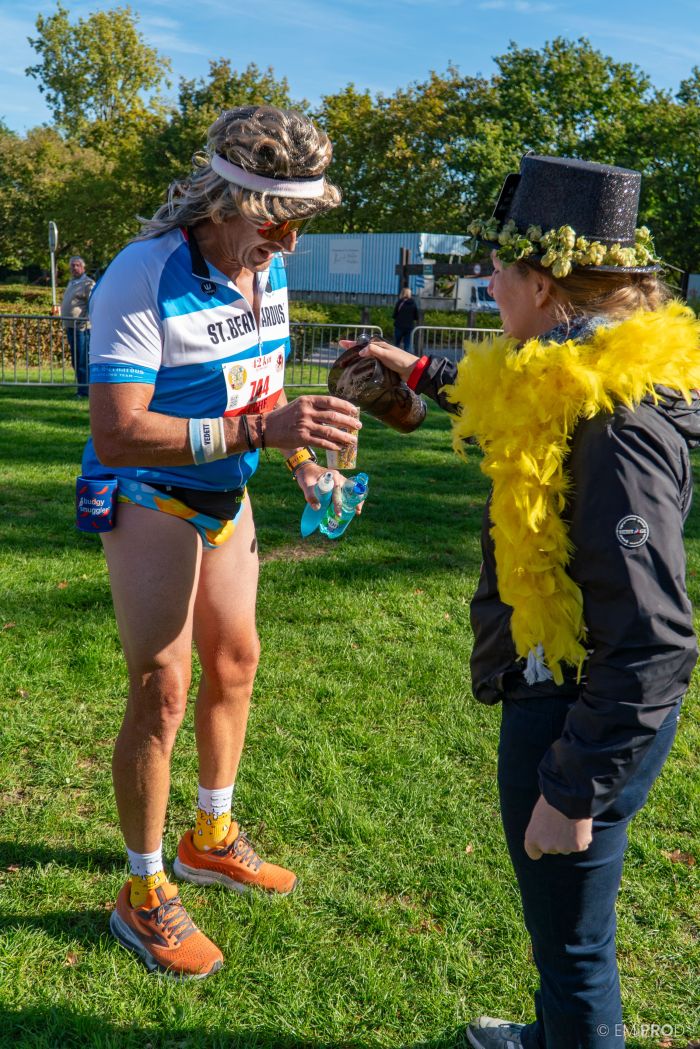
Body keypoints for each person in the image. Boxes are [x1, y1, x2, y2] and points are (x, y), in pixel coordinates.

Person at [357, 155, 700, 1048]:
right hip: (559, 690)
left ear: (541, 285)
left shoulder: (617, 424)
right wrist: (421, 371)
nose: (489, 287)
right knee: (562, 940)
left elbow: (656, 640)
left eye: (497, 273)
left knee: (577, 950)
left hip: (577, 711)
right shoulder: (568, 372)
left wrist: (573, 785)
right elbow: (508, 396)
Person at [82, 105, 362, 980]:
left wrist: (307, 464)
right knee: (162, 690)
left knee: (234, 661)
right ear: (226, 198)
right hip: (148, 491)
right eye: (274, 219)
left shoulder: (265, 270)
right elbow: (120, 432)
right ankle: (143, 886)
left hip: (226, 492)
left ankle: (209, 834)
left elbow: (261, 389)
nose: (285, 241)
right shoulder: (143, 272)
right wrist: (257, 432)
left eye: (300, 223)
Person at [61, 255, 95, 397]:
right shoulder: (72, 282)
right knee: (76, 360)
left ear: (83, 267)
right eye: (72, 266)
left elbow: (92, 304)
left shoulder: (88, 284)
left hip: (81, 328)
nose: (74, 268)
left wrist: (85, 320)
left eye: (77, 265)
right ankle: (81, 388)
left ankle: (85, 391)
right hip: (70, 326)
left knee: (82, 360)